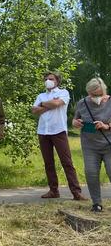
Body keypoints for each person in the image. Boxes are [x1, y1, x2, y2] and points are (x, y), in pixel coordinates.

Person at [32, 71, 86, 200]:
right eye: (46, 79)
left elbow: (57, 104)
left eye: (50, 78)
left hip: (58, 131)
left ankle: (76, 192)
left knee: (66, 162)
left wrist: (43, 104)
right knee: (48, 162)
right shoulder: (41, 95)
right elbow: (34, 111)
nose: (47, 81)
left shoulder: (63, 93)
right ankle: (53, 190)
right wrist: (50, 104)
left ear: (57, 81)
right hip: (43, 132)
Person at [72, 77, 111, 212]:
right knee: (91, 173)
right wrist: (75, 123)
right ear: (88, 92)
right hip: (89, 145)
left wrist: (106, 125)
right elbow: (75, 119)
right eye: (93, 94)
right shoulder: (82, 103)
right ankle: (97, 203)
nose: (97, 97)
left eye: (99, 94)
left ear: (104, 91)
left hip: (108, 145)